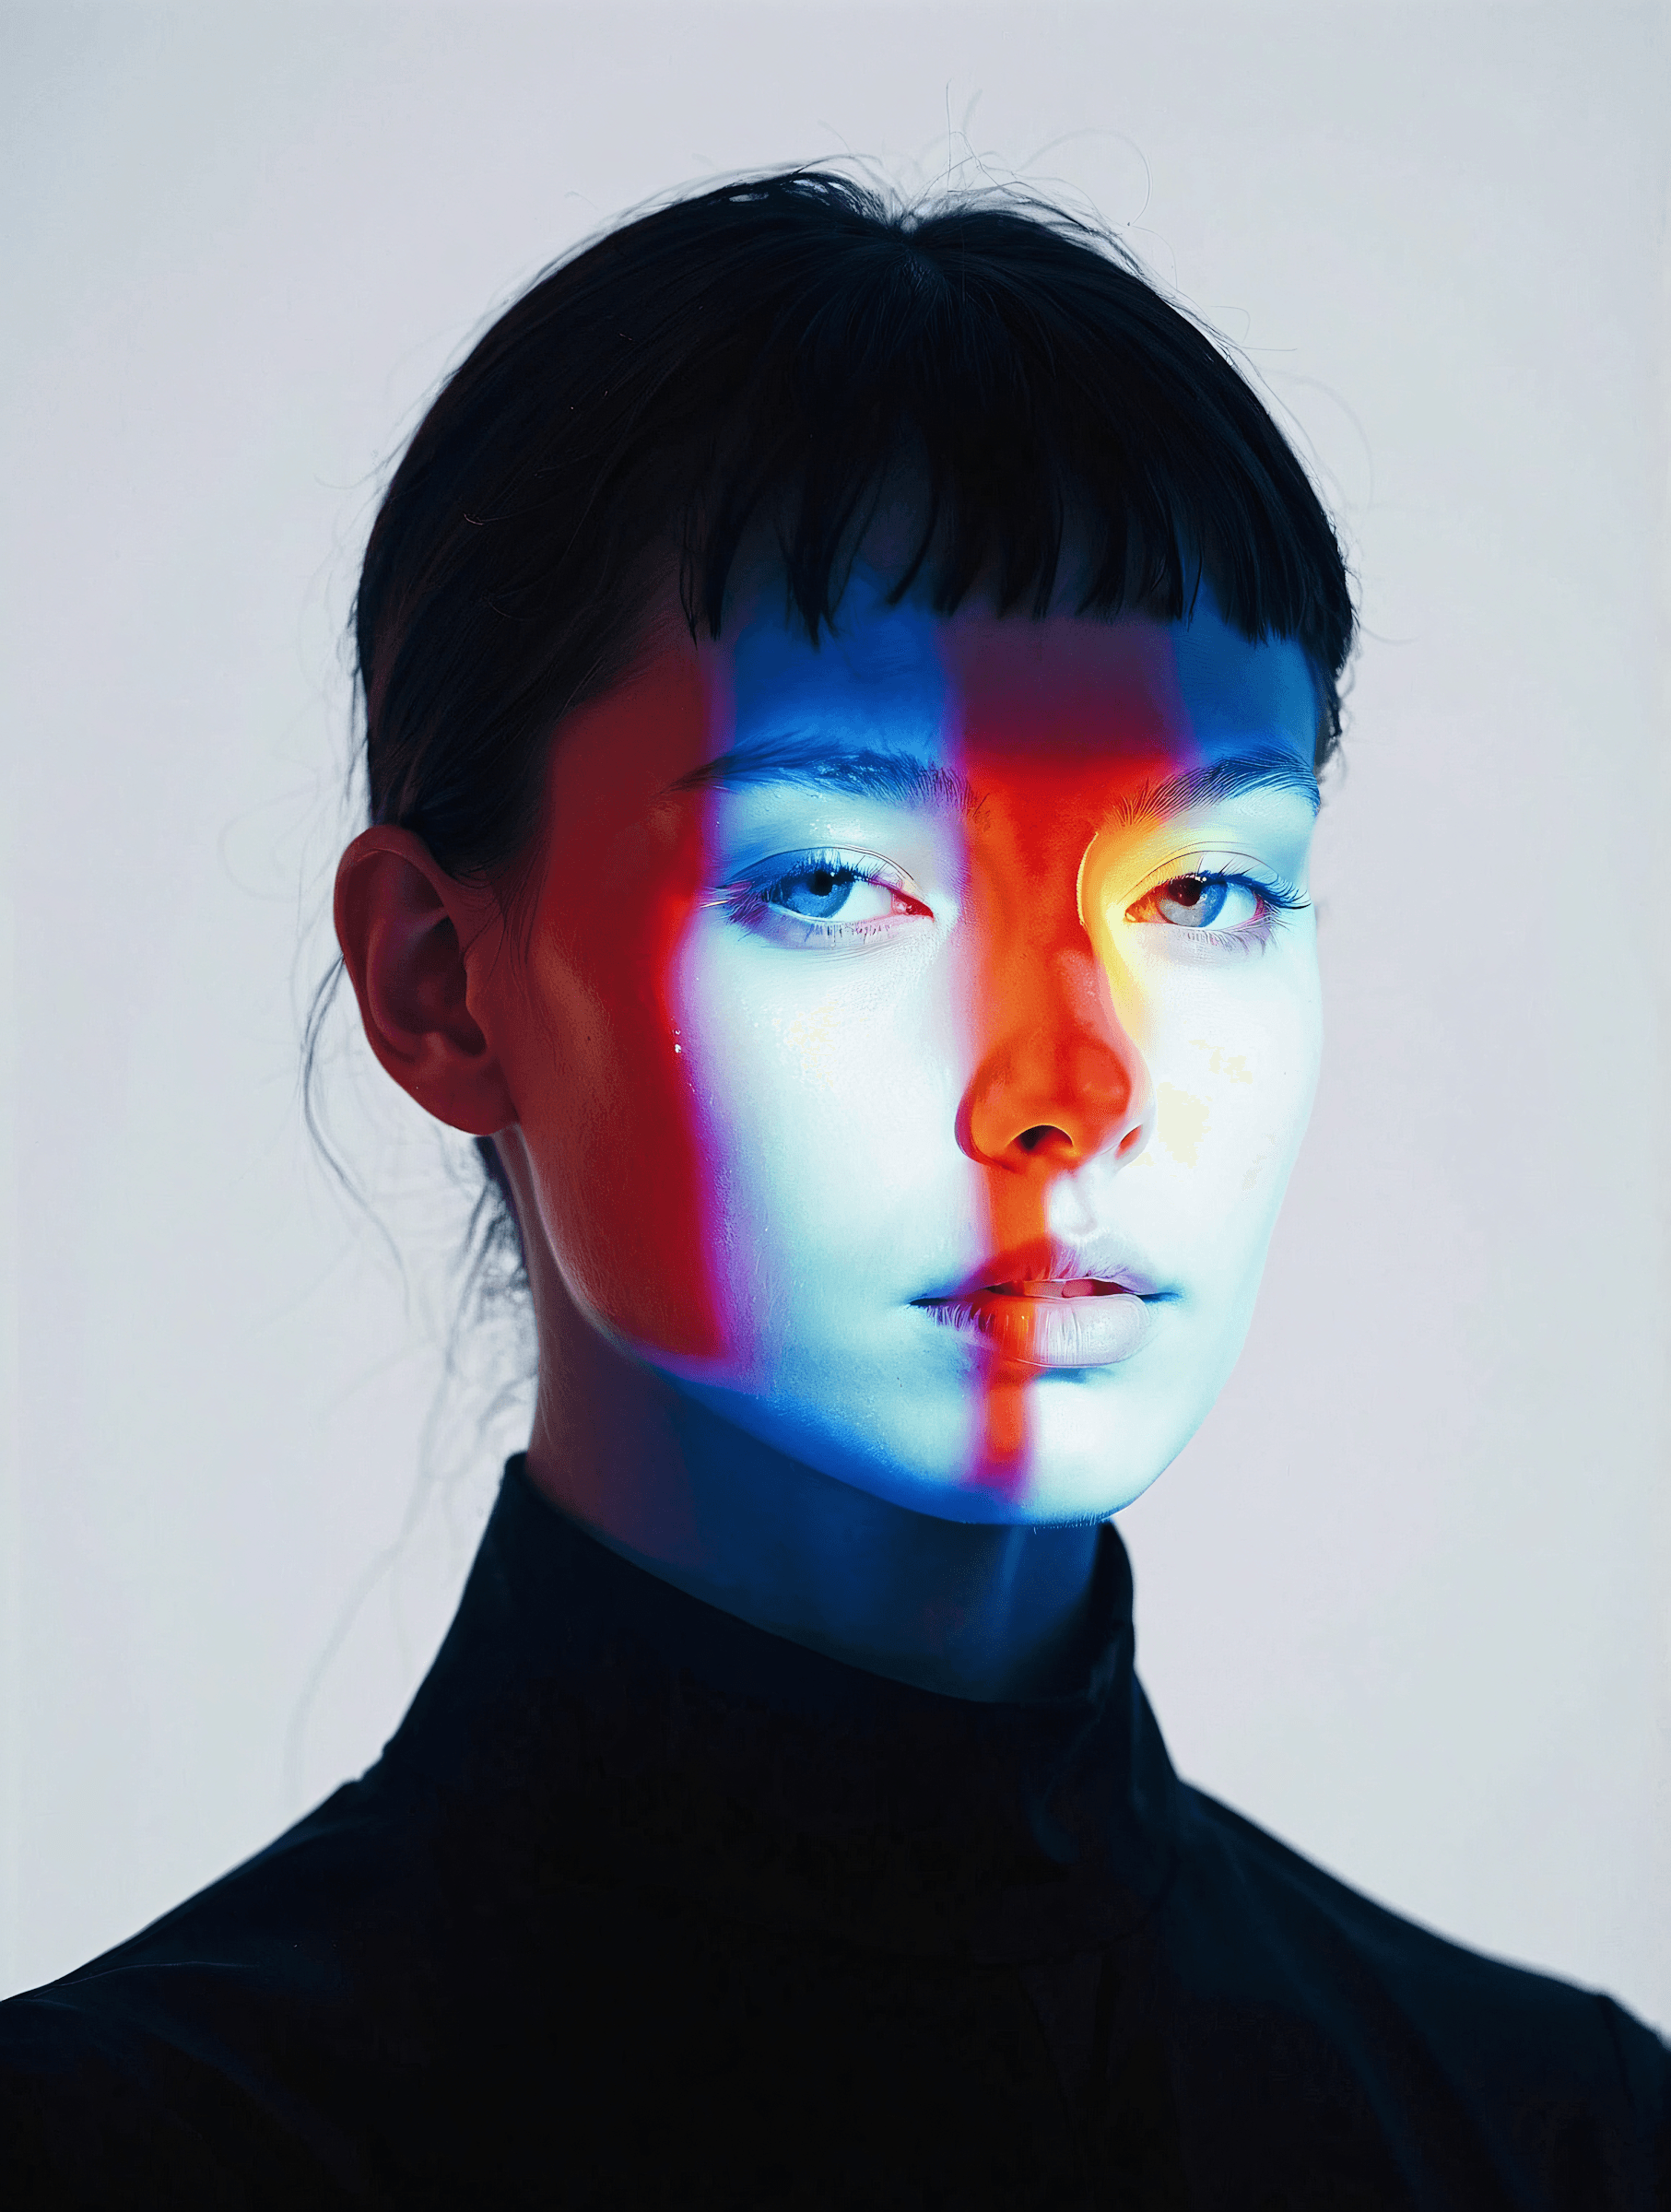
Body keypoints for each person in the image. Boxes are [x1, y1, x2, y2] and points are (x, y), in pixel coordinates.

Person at [2, 169, 1665, 2210]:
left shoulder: (1556, 2143)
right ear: (443, 984)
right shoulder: (113, 2158)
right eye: (833, 883)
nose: (1068, 1087)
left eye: (1208, 890)